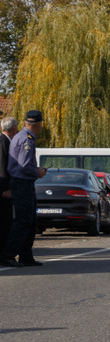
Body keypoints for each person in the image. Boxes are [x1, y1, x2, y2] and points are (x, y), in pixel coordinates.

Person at [0, 111, 48, 268]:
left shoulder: (20, 136)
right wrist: (37, 172)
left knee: (30, 221)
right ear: (38, 124)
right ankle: (8, 255)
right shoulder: (26, 139)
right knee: (23, 220)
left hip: (23, 183)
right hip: (22, 183)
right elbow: (24, 165)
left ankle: (26, 256)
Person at [0, 117, 19, 258]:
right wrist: (5, 188)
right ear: (14, 128)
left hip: (5, 187)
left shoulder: (6, 141)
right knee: (5, 222)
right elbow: (2, 166)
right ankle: (4, 254)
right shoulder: (3, 141)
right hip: (4, 190)